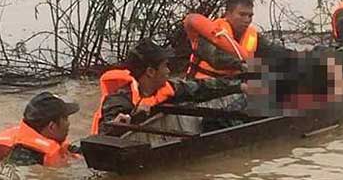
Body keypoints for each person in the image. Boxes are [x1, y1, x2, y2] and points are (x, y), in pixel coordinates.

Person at [91, 39, 246, 135]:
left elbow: (202, 88)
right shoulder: (118, 100)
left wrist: (239, 86)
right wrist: (123, 123)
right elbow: (105, 133)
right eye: (165, 66)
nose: (169, 71)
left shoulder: (168, 87)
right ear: (151, 72)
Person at [187, 0, 287, 79]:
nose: (247, 20)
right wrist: (243, 65)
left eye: (250, 16)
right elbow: (215, 59)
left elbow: (272, 50)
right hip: (201, 88)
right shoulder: (211, 33)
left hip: (232, 88)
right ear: (227, 14)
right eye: (242, 15)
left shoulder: (253, 36)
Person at [0, 92, 80, 166]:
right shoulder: (25, 158)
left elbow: (71, 150)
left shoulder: (45, 139)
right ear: (52, 126)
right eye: (66, 119)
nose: (68, 124)